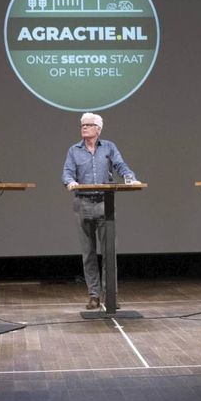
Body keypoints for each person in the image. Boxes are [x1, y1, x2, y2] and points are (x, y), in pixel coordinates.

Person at [62, 112, 138, 310]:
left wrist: (129, 177)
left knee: (109, 252)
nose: (84, 128)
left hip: (105, 203)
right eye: (82, 125)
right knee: (88, 253)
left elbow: (121, 166)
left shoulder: (109, 147)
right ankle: (94, 295)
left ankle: (110, 295)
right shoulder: (74, 150)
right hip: (83, 204)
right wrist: (70, 182)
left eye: (88, 125)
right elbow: (67, 173)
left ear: (98, 129)